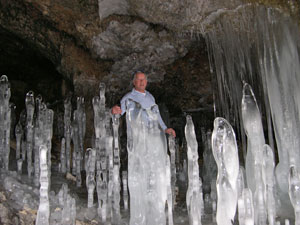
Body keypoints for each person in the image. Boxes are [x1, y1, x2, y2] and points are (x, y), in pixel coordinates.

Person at [111, 71, 176, 137]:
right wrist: (113, 112)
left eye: (143, 79)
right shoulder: (128, 97)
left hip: (152, 137)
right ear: (134, 82)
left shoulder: (150, 97)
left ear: (146, 82)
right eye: (139, 79)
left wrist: (165, 129)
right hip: (137, 138)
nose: (141, 81)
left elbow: (157, 116)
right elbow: (118, 114)